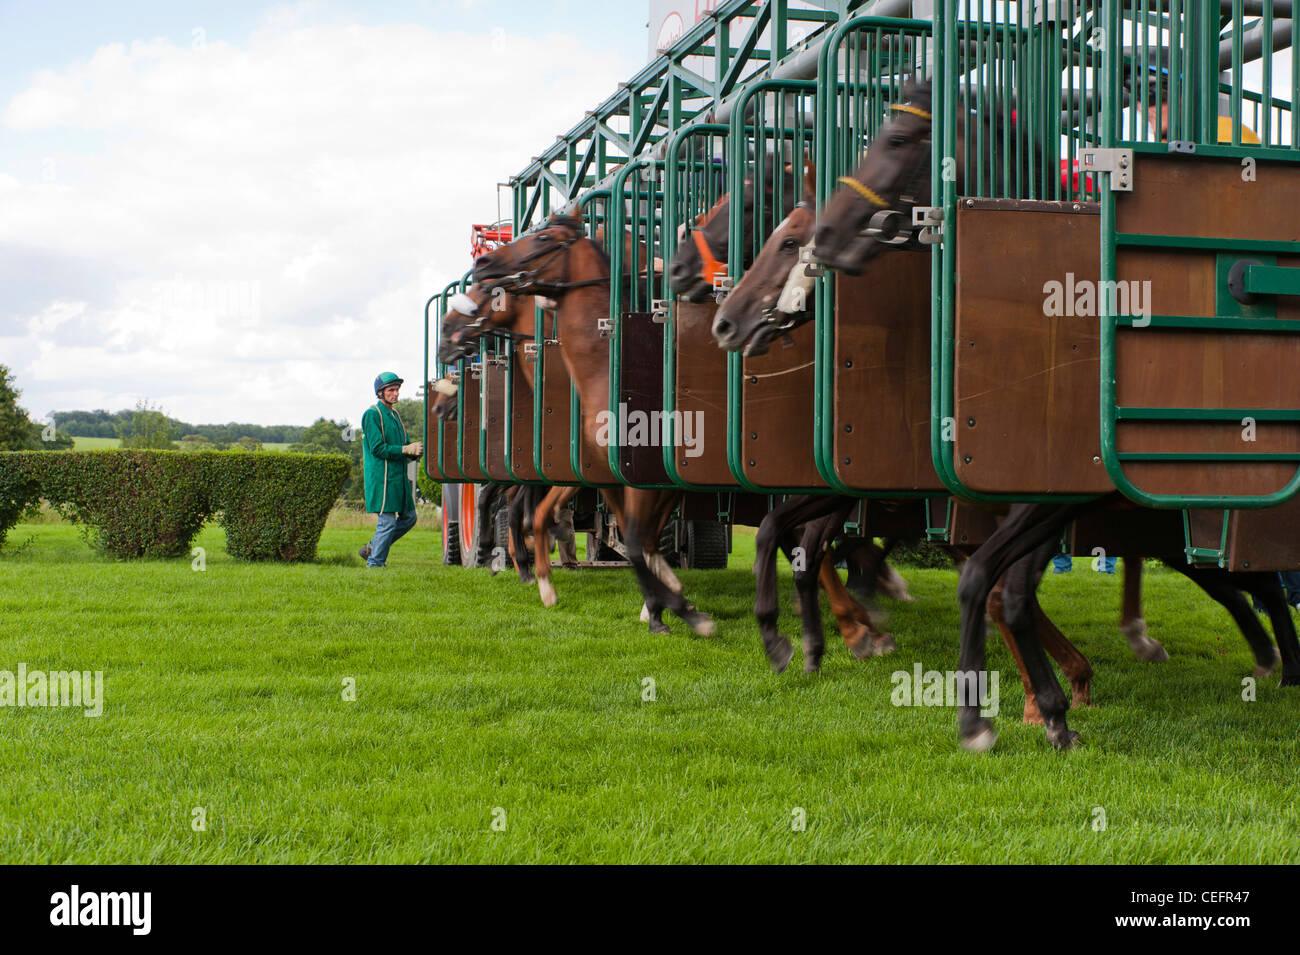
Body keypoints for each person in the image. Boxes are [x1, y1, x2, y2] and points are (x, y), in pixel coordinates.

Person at [358, 372, 422, 568]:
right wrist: (404, 449)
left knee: (409, 518)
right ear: (380, 393)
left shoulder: (395, 415)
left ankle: (373, 547)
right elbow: (377, 448)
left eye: (397, 390)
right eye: (391, 390)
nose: (395, 394)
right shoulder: (372, 414)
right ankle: (375, 563)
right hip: (382, 478)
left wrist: (414, 450)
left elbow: (404, 444)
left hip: (398, 477)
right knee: (387, 523)